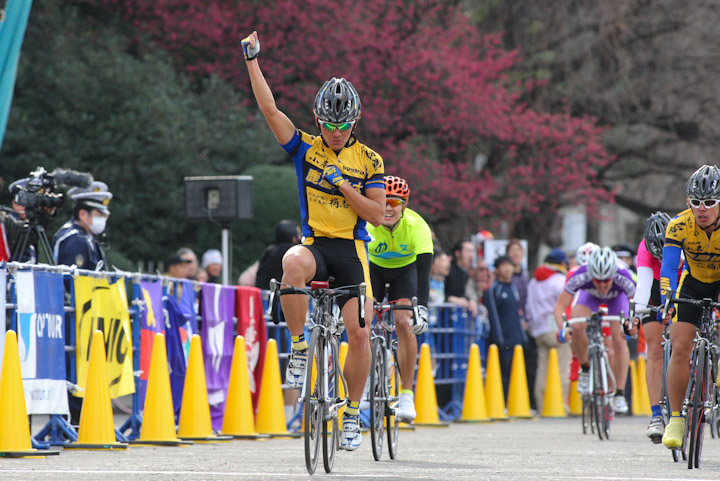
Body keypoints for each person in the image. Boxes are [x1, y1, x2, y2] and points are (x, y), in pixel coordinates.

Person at [242, 31, 385, 451]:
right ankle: (301, 346)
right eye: (328, 124)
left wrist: (344, 187)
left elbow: (377, 214)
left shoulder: (370, 160)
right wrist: (252, 60)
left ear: (355, 122)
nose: (335, 132)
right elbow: (269, 109)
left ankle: (353, 413)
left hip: (351, 250)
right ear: (317, 118)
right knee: (291, 262)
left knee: (358, 332)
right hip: (316, 243)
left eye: (343, 126)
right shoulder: (305, 148)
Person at [659, 165, 720, 448]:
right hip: (693, 282)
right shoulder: (678, 225)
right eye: (696, 202)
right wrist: (667, 301)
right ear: (688, 202)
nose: (702, 208)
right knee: (680, 347)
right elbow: (669, 269)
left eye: (709, 202)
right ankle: (676, 419)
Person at [367, 176, 432, 422]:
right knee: (362, 319)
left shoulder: (418, 227)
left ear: (404, 205)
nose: (388, 208)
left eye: (394, 202)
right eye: (383, 201)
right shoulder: (367, 224)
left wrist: (422, 309)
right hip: (373, 268)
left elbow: (424, 273)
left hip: (405, 271)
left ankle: (406, 393)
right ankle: (364, 382)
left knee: (404, 322)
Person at [553, 246, 636, 414]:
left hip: (617, 299)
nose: (603, 284)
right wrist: (563, 328)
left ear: (614, 275)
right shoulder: (581, 276)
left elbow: (637, 306)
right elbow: (560, 306)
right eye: (598, 281)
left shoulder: (625, 277)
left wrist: (633, 325)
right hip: (589, 297)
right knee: (576, 325)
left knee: (619, 338)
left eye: (607, 280)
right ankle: (585, 368)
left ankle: (619, 393)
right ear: (591, 275)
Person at [629, 212, 678, 443]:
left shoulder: (681, 238)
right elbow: (644, 284)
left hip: (682, 280)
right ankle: (656, 415)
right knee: (655, 350)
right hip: (655, 287)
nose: (659, 258)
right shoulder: (644, 248)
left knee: (685, 341)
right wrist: (637, 313)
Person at [526, 248, 571, 413]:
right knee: (561, 368)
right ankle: (559, 405)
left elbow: (528, 307)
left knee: (542, 370)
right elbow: (566, 304)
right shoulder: (559, 280)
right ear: (562, 263)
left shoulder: (533, 282)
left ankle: (542, 405)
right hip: (556, 329)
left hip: (538, 330)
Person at [484, 255, 526, 397]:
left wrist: (523, 336)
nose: (508, 269)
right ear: (497, 270)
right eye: (503, 266)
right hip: (503, 341)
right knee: (503, 374)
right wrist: (500, 340)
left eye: (510, 266)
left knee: (517, 374)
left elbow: (517, 314)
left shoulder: (513, 289)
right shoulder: (493, 290)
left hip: (516, 340)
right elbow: (493, 316)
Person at [52, 181, 112, 270]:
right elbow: (72, 281)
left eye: (104, 216)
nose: (103, 219)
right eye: (99, 215)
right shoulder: (76, 240)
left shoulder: (85, 236)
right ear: (83, 214)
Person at [255, 220, 301, 290]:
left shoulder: (269, 250)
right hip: (280, 295)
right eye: (299, 234)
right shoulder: (293, 252)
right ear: (294, 239)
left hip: (262, 294)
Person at [445, 239, 478, 316]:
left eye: (473, 251)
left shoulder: (465, 273)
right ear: (457, 253)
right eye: (468, 251)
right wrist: (451, 299)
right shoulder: (447, 270)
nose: (472, 254)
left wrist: (470, 301)